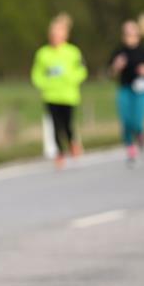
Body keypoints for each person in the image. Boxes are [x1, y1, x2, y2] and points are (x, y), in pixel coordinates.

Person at [30, 13, 87, 169]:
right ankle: (59, 153)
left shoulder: (73, 52)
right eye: (53, 34)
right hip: (51, 95)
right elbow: (36, 74)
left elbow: (82, 71)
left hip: (69, 95)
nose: (55, 37)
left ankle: (72, 142)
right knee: (55, 126)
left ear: (65, 35)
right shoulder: (43, 53)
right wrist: (44, 84)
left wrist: (70, 78)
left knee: (67, 124)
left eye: (59, 33)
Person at [109, 20, 144, 165]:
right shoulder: (119, 51)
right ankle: (130, 147)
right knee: (126, 120)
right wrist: (117, 66)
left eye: (132, 33)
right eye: (127, 34)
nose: (130, 37)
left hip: (142, 90)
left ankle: (140, 134)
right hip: (125, 88)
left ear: (138, 35)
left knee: (137, 120)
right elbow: (111, 72)